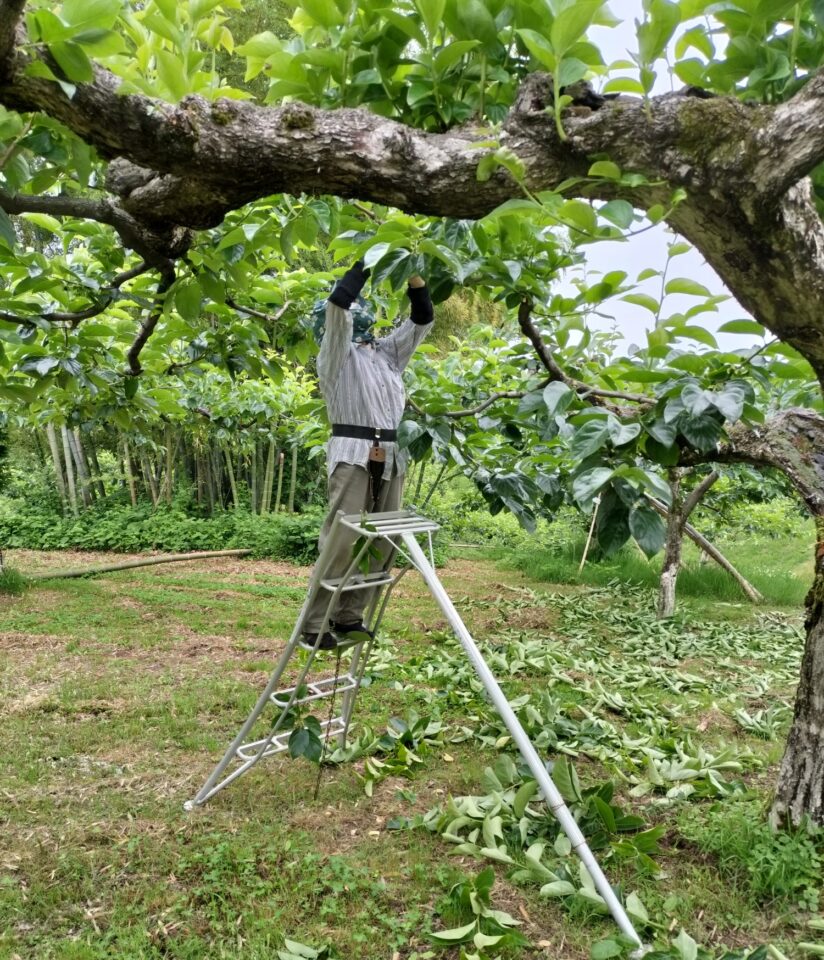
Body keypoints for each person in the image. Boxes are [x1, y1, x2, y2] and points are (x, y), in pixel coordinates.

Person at [302, 259, 434, 650]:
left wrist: (412, 270)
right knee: (342, 540)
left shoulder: (387, 354)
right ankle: (315, 623)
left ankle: (350, 616)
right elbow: (338, 305)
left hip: (391, 454)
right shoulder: (335, 355)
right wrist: (371, 257)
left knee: (384, 539)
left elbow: (423, 318)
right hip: (353, 450)